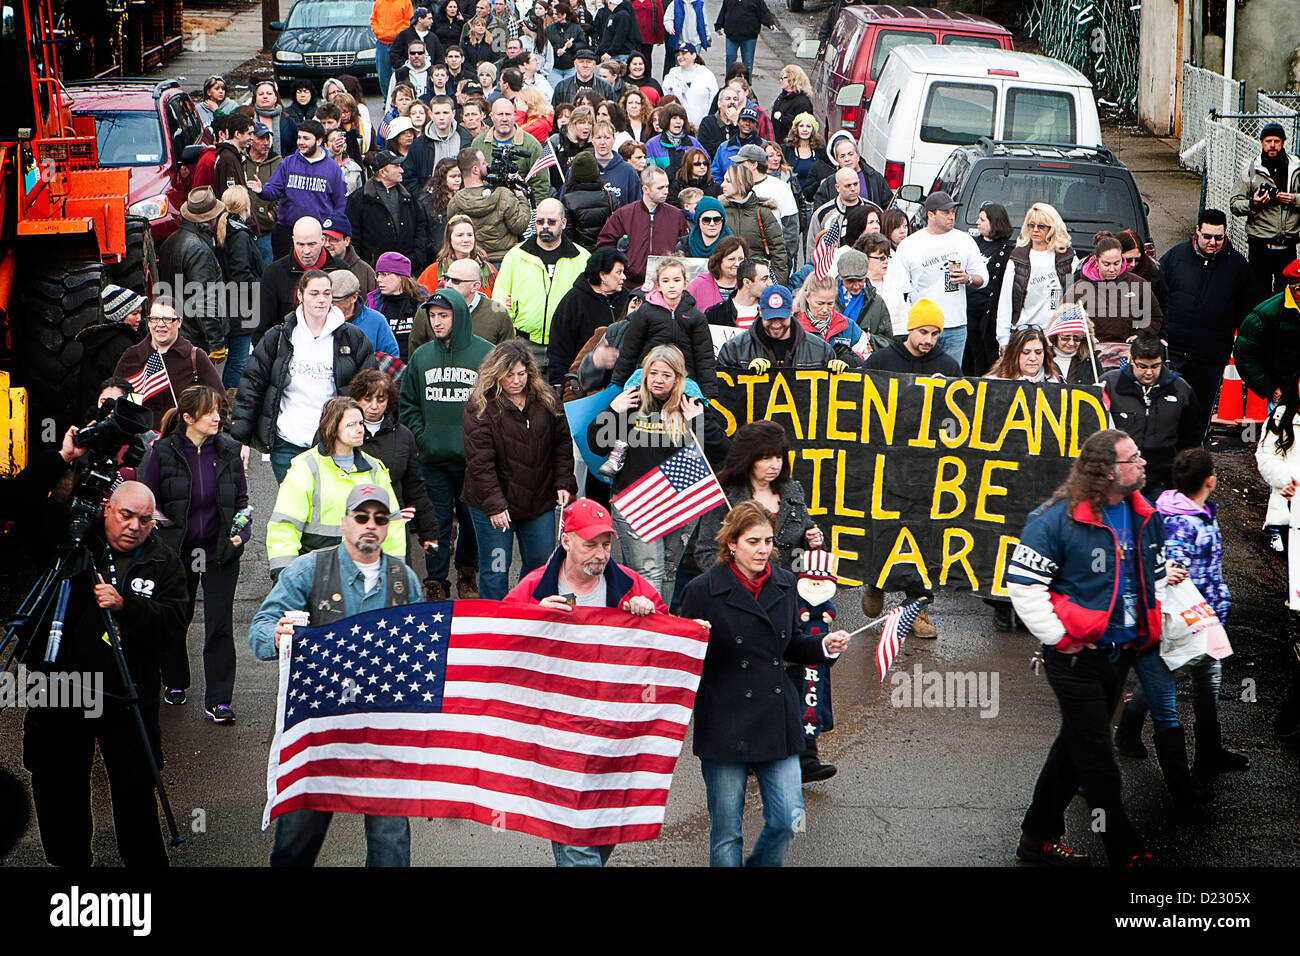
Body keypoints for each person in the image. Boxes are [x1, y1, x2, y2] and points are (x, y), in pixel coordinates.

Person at [1008, 429, 1169, 867]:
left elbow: (1152, 577)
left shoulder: (1143, 514)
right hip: (1074, 659)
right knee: (1099, 761)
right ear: (1106, 470)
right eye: (1132, 459)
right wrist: (1061, 639)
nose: (1143, 463)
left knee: (1074, 746)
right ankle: (1126, 852)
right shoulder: (1054, 519)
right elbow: (1023, 586)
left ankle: (1036, 839)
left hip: (1121, 656)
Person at [19, 468, 187, 867]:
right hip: (63, 685)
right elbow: (33, 519)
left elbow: (173, 625)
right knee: (58, 781)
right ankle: (68, 861)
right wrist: (62, 465)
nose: (134, 526)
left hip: (128, 689)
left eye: (145, 520)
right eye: (126, 515)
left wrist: (126, 606)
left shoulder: (165, 560)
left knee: (135, 786)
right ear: (107, 509)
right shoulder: (74, 542)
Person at [250, 483, 422, 866]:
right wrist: (276, 636)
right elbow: (259, 628)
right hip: (318, 726)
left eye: (380, 518)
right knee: (297, 840)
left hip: (382, 728)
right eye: (361, 517)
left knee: (390, 844)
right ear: (344, 522)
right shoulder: (308, 568)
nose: (370, 526)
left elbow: (423, 647)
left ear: (389, 525)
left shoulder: (403, 577)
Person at [679, 500, 850, 866]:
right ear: (731, 544)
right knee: (727, 833)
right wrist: (695, 639)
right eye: (753, 541)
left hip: (776, 717)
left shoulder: (787, 584)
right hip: (725, 721)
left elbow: (792, 644)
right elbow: (680, 657)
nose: (763, 550)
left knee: (789, 817)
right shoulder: (701, 591)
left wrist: (823, 645)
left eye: (769, 542)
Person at [502, 496, 668, 865]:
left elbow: (668, 642)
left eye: (606, 544)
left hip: (614, 735)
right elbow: (500, 643)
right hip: (556, 736)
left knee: (604, 831)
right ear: (566, 541)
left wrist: (649, 614)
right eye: (591, 543)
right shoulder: (533, 587)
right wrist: (532, 616)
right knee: (578, 846)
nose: (601, 553)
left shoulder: (630, 584)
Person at [1112, 448, 1250, 776]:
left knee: (1205, 678)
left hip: (1205, 615)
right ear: (1210, 481)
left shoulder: (1197, 511)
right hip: (1188, 619)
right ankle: (1132, 734)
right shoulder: (1183, 521)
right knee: (1165, 679)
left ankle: (1207, 751)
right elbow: (1172, 564)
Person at [139, 384, 249, 719]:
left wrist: (241, 536)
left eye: (219, 410)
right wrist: (163, 539)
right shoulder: (161, 452)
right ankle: (173, 678)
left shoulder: (229, 451)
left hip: (219, 552)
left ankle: (219, 701)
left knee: (219, 624)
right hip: (177, 553)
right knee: (176, 618)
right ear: (188, 418)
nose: (218, 417)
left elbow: (243, 503)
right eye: (210, 412)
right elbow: (148, 502)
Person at [588, 345, 727, 602]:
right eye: (653, 373)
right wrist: (612, 410)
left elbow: (720, 451)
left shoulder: (690, 404)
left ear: (678, 378)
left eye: (666, 374)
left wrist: (698, 421)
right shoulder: (630, 401)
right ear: (645, 374)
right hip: (634, 500)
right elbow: (596, 444)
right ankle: (649, 633)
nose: (659, 380)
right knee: (648, 571)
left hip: (679, 500)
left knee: (668, 571)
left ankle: (659, 630)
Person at [232, 270, 377, 483]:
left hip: (334, 440)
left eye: (327, 293)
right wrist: (240, 439)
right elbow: (252, 386)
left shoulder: (353, 337)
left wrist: (370, 433)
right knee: (294, 511)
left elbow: (369, 389)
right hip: (287, 441)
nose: (321, 299)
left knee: (329, 510)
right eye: (314, 293)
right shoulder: (279, 336)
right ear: (300, 295)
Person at [461, 340, 576, 598]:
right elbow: (480, 462)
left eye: (521, 373)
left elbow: (561, 443)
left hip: (537, 500)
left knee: (540, 564)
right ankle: (494, 626)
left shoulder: (546, 398)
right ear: (496, 375)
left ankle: (526, 615)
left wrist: (563, 481)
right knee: (496, 569)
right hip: (494, 505)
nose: (516, 381)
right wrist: (494, 505)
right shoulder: (479, 406)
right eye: (509, 375)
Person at [400, 286, 493, 600]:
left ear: (460, 316)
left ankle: (468, 573)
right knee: (437, 523)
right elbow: (408, 403)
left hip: (473, 461)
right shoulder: (422, 356)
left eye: (444, 315)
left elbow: (497, 403)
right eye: (433, 316)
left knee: (471, 523)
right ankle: (436, 581)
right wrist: (422, 440)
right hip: (433, 459)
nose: (437, 322)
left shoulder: (486, 354)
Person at [267, 396, 411, 579]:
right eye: (351, 425)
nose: (360, 429)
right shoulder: (306, 468)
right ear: (333, 428)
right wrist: (284, 573)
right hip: (316, 572)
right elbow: (285, 525)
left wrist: (395, 571)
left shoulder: (375, 469)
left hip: (365, 574)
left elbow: (393, 525)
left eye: (361, 423)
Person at [1159, 209, 1253, 436]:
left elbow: (1245, 312)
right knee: (1168, 413)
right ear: (1197, 231)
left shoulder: (1238, 267)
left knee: (1199, 416)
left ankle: (1195, 463)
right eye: (1207, 236)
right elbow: (1157, 300)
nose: (1212, 242)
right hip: (1174, 351)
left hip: (1210, 357)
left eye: (1218, 238)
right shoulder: (1174, 257)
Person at [347, 368, 440, 575]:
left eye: (381, 399)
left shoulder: (404, 436)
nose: (374, 406)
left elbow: (414, 487)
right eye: (367, 398)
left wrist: (429, 532)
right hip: (350, 525)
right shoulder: (340, 430)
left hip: (392, 528)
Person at [885, 190, 987, 365]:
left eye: (953, 212)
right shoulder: (910, 244)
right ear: (930, 215)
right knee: (919, 378)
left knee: (948, 380)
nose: (951, 216)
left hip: (955, 325)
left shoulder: (965, 241)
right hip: (921, 326)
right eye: (946, 212)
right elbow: (899, 288)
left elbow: (983, 278)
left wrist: (967, 279)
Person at [492, 197, 590, 370]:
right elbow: (499, 298)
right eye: (540, 221)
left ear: (564, 222)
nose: (545, 226)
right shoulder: (515, 256)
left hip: (567, 345)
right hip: (523, 344)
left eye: (551, 221)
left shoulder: (582, 258)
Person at [1101, 332, 1201, 500]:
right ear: (1131, 360)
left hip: (1161, 481)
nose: (1149, 373)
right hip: (1117, 478)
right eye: (1142, 366)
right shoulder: (1110, 384)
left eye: (1155, 366)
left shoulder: (1181, 390)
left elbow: (1191, 438)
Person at [113, 296, 225, 431]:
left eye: (167, 319)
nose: (160, 324)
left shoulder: (195, 357)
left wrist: (202, 440)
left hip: (183, 443)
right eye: (154, 319)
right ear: (148, 322)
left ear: (179, 322)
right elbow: (114, 399)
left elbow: (220, 404)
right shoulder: (131, 356)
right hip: (141, 444)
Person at [611, 257, 718, 395]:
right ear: (658, 285)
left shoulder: (696, 316)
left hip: (683, 378)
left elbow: (705, 357)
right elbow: (630, 350)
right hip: (649, 377)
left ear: (685, 283)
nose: (671, 285)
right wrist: (618, 383)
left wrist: (709, 392)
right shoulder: (645, 312)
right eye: (666, 281)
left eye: (677, 280)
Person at [246, 119, 347, 261]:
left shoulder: (333, 169)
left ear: (318, 141)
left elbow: (340, 203)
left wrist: (332, 230)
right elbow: (274, 191)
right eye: (299, 137)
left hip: (318, 233)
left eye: (306, 138)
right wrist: (262, 190)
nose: (300, 142)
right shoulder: (288, 163)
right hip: (288, 231)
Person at [1064, 232, 1163, 369]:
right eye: (1106, 264)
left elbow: (1155, 316)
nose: (1112, 269)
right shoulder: (1078, 289)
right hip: (1090, 355)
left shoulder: (1139, 284)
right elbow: (1065, 323)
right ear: (1096, 261)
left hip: (1128, 354)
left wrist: (1140, 334)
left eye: (1117, 263)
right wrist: (1084, 339)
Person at [1230, 122, 1300, 302]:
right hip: (1260, 243)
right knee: (1257, 293)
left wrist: (1294, 199)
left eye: (1277, 140)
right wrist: (1253, 203)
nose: (1272, 145)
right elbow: (1235, 204)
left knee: (1286, 294)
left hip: (1288, 242)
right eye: (1268, 140)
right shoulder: (1252, 169)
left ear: (1284, 142)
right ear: (1261, 142)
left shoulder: (1297, 167)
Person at [158, 187, 227, 360]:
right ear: (209, 219)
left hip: (177, 329)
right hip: (195, 336)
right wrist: (216, 343)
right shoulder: (198, 250)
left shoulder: (171, 241)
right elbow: (205, 300)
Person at [546, 247, 630, 386]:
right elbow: (559, 350)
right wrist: (561, 386)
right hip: (583, 383)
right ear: (602, 275)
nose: (624, 277)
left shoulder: (627, 298)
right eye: (618, 272)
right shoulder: (573, 302)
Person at [597, 166, 690, 289]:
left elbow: (686, 247)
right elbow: (605, 246)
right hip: (629, 285)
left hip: (665, 286)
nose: (666, 191)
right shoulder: (623, 215)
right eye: (660, 187)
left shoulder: (676, 215)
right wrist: (621, 267)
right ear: (645, 188)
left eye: (667, 186)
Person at [256, 216, 348, 338]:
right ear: (293, 240)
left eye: (311, 244)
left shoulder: (341, 270)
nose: (306, 251)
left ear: (322, 240)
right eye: (300, 244)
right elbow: (262, 328)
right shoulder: (273, 274)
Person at [345, 151, 433, 274]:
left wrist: (416, 258)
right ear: (382, 172)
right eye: (396, 166)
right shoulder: (359, 199)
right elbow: (353, 236)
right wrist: (365, 267)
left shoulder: (408, 197)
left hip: (407, 271)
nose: (401, 170)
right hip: (373, 271)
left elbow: (420, 228)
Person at [1231, 257, 1300, 410]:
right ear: (1295, 290)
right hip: (1284, 395)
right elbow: (1244, 354)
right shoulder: (1265, 315)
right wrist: (1270, 387)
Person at [716, 282, 834, 370]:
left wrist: (840, 368)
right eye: (771, 318)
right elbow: (721, 390)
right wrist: (746, 374)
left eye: (781, 317)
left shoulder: (821, 350)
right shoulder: (734, 349)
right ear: (760, 311)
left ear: (791, 311)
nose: (776, 324)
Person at [214, 185, 264, 391]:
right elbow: (241, 275)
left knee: (235, 358)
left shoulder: (223, 230)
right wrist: (261, 288)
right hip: (241, 307)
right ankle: (228, 403)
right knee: (239, 360)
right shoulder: (240, 235)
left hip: (228, 303)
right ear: (246, 206)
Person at [446, 146, 531, 264]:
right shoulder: (502, 194)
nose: (488, 165)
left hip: (473, 262)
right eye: (484, 163)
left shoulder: (455, 202)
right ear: (475, 170)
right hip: (505, 261)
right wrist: (521, 197)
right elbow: (520, 226)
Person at [77, 285, 147, 416]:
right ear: (120, 315)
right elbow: (128, 383)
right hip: (109, 413)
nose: (139, 319)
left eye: (140, 313)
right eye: (134, 314)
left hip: (92, 409)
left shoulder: (99, 339)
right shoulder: (122, 346)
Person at [965, 201, 1015, 374]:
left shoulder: (1008, 250)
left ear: (994, 223)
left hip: (991, 311)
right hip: (969, 308)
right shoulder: (971, 243)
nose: (977, 223)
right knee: (971, 352)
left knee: (987, 353)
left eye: (982, 220)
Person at [734, 143, 801, 268]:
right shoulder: (735, 187)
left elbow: (791, 227)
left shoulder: (781, 187)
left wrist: (784, 260)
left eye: (741, 164)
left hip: (772, 259)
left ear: (753, 165)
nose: (736, 167)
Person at [721, 163, 788, 284]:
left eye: (728, 181)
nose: (722, 185)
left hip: (756, 280)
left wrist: (778, 285)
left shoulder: (762, 212)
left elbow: (778, 251)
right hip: (726, 279)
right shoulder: (720, 212)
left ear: (740, 183)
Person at [793, 273, 869, 367]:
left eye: (830, 304)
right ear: (807, 297)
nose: (825, 310)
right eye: (820, 303)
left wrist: (849, 361)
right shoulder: (794, 326)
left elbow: (868, 359)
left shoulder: (847, 326)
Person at [805, 129, 892, 212]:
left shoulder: (875, 178)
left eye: (850, 154)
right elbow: (819, 213)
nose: (847, 159)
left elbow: (889, 206)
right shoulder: (829, 184)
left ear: (858, 155)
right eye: (842, 156)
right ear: (836, 160)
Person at [368, 252, 428, 360]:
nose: (379, 279)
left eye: (385, 274)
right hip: (385, 368)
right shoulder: (373, 303)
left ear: (401, 276)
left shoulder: (421, 303)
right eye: (378, 275)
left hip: (415, 364)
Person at [331, 269, 401, 357]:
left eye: (337, 300)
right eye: (328, 299)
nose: (331, 305)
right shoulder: (317, 320)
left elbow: (392, 359)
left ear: (354, 297)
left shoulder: (376, 321)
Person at [836, 246, 892, 352]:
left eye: (860, 280)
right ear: (840, 276)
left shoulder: (877, 302)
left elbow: (888, 342)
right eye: (850, 281)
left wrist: (869, 338)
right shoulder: (828, 300)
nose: (856, 286)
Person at [243, 123, 282, 267]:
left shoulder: (278, 162)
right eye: (261, 138)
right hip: (244, 228)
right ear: (251, 139)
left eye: (268, 138)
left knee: (265, 269)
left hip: (266, 229)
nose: (266, 143)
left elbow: (285, 192)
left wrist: (274, 213)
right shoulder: (242, 159)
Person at [560, 151, 616, 250]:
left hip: (579, 255)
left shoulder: (568, 200)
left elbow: (567, 236)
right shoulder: (610, 197)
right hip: (605, 254)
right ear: (596, 172)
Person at [713, 0, 776, 78]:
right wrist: (718, 25)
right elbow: (724, 11)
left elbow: (763, 11)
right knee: (730, 59)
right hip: (731, 34)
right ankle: (729, 83)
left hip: (749, 36)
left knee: (747, 63)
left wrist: (770, 24)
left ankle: (747, 85)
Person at [686, 234, 747, 313]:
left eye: (741, 259)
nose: (737, 264)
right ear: (719, 260)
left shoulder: (748, 285)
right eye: (731, 259)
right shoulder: (698, 285)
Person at [322, 215, 378, 299]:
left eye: (333, 239)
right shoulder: (315, 267)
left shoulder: (365, 271)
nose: (327, 244)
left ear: (347, 240)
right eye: (324, 239)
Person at [705, 256, 769, 329]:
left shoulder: (772, 312)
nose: (770, 283)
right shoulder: (715, 315)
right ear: (747, 282)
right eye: (764, 279)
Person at [1045, 303, 1099, 385]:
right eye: (1065, 337)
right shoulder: (1044, 357)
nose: (1071, 343)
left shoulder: (1091, 361)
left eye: (1077, 338)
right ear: (1055, 336)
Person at [590, 121, 641, 205]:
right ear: (592, 140)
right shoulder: (582, 168)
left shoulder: (628, 171)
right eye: (598, 138)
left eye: (607, 138)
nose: (602, 142)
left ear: (614, 139)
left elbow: (636, 204)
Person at [709, 107, 764, 185]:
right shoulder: (724, 147)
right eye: (744, 120)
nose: (747, 124)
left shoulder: (763, 146)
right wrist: (723, 188)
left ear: (756, 125)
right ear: (738, 122)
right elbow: (715, 173)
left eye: (751, 121)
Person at [374, 0, 415, 100]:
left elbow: (408, 21)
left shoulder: (405, 2)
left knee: (399, 73)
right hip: (382, 43)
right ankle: (386, 99)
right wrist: (379, 32)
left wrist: (396, 34)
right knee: (383, 75)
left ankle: (400, 98)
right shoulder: (379, 2)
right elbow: (373, 20)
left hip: (398, 43)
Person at [985, 325, 1057, 382]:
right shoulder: (991, 382)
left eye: (1038, 352)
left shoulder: (1055, 380)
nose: (1033, 358)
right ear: (1014, 354)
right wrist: (1016, 386)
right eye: (1026, 352)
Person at [252, 80, 299, 160]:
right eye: (261, 94)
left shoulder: (288, 121)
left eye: (269, 94)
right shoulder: (249, 119)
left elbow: (296, 148)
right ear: (255, 98)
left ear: (276, 98)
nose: (265, 96)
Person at [677, 194, 732, 259]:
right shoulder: (684, 245)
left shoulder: (733, 245)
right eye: (706, 220)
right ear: (698, 221)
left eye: (717, 219)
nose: (712, 224)